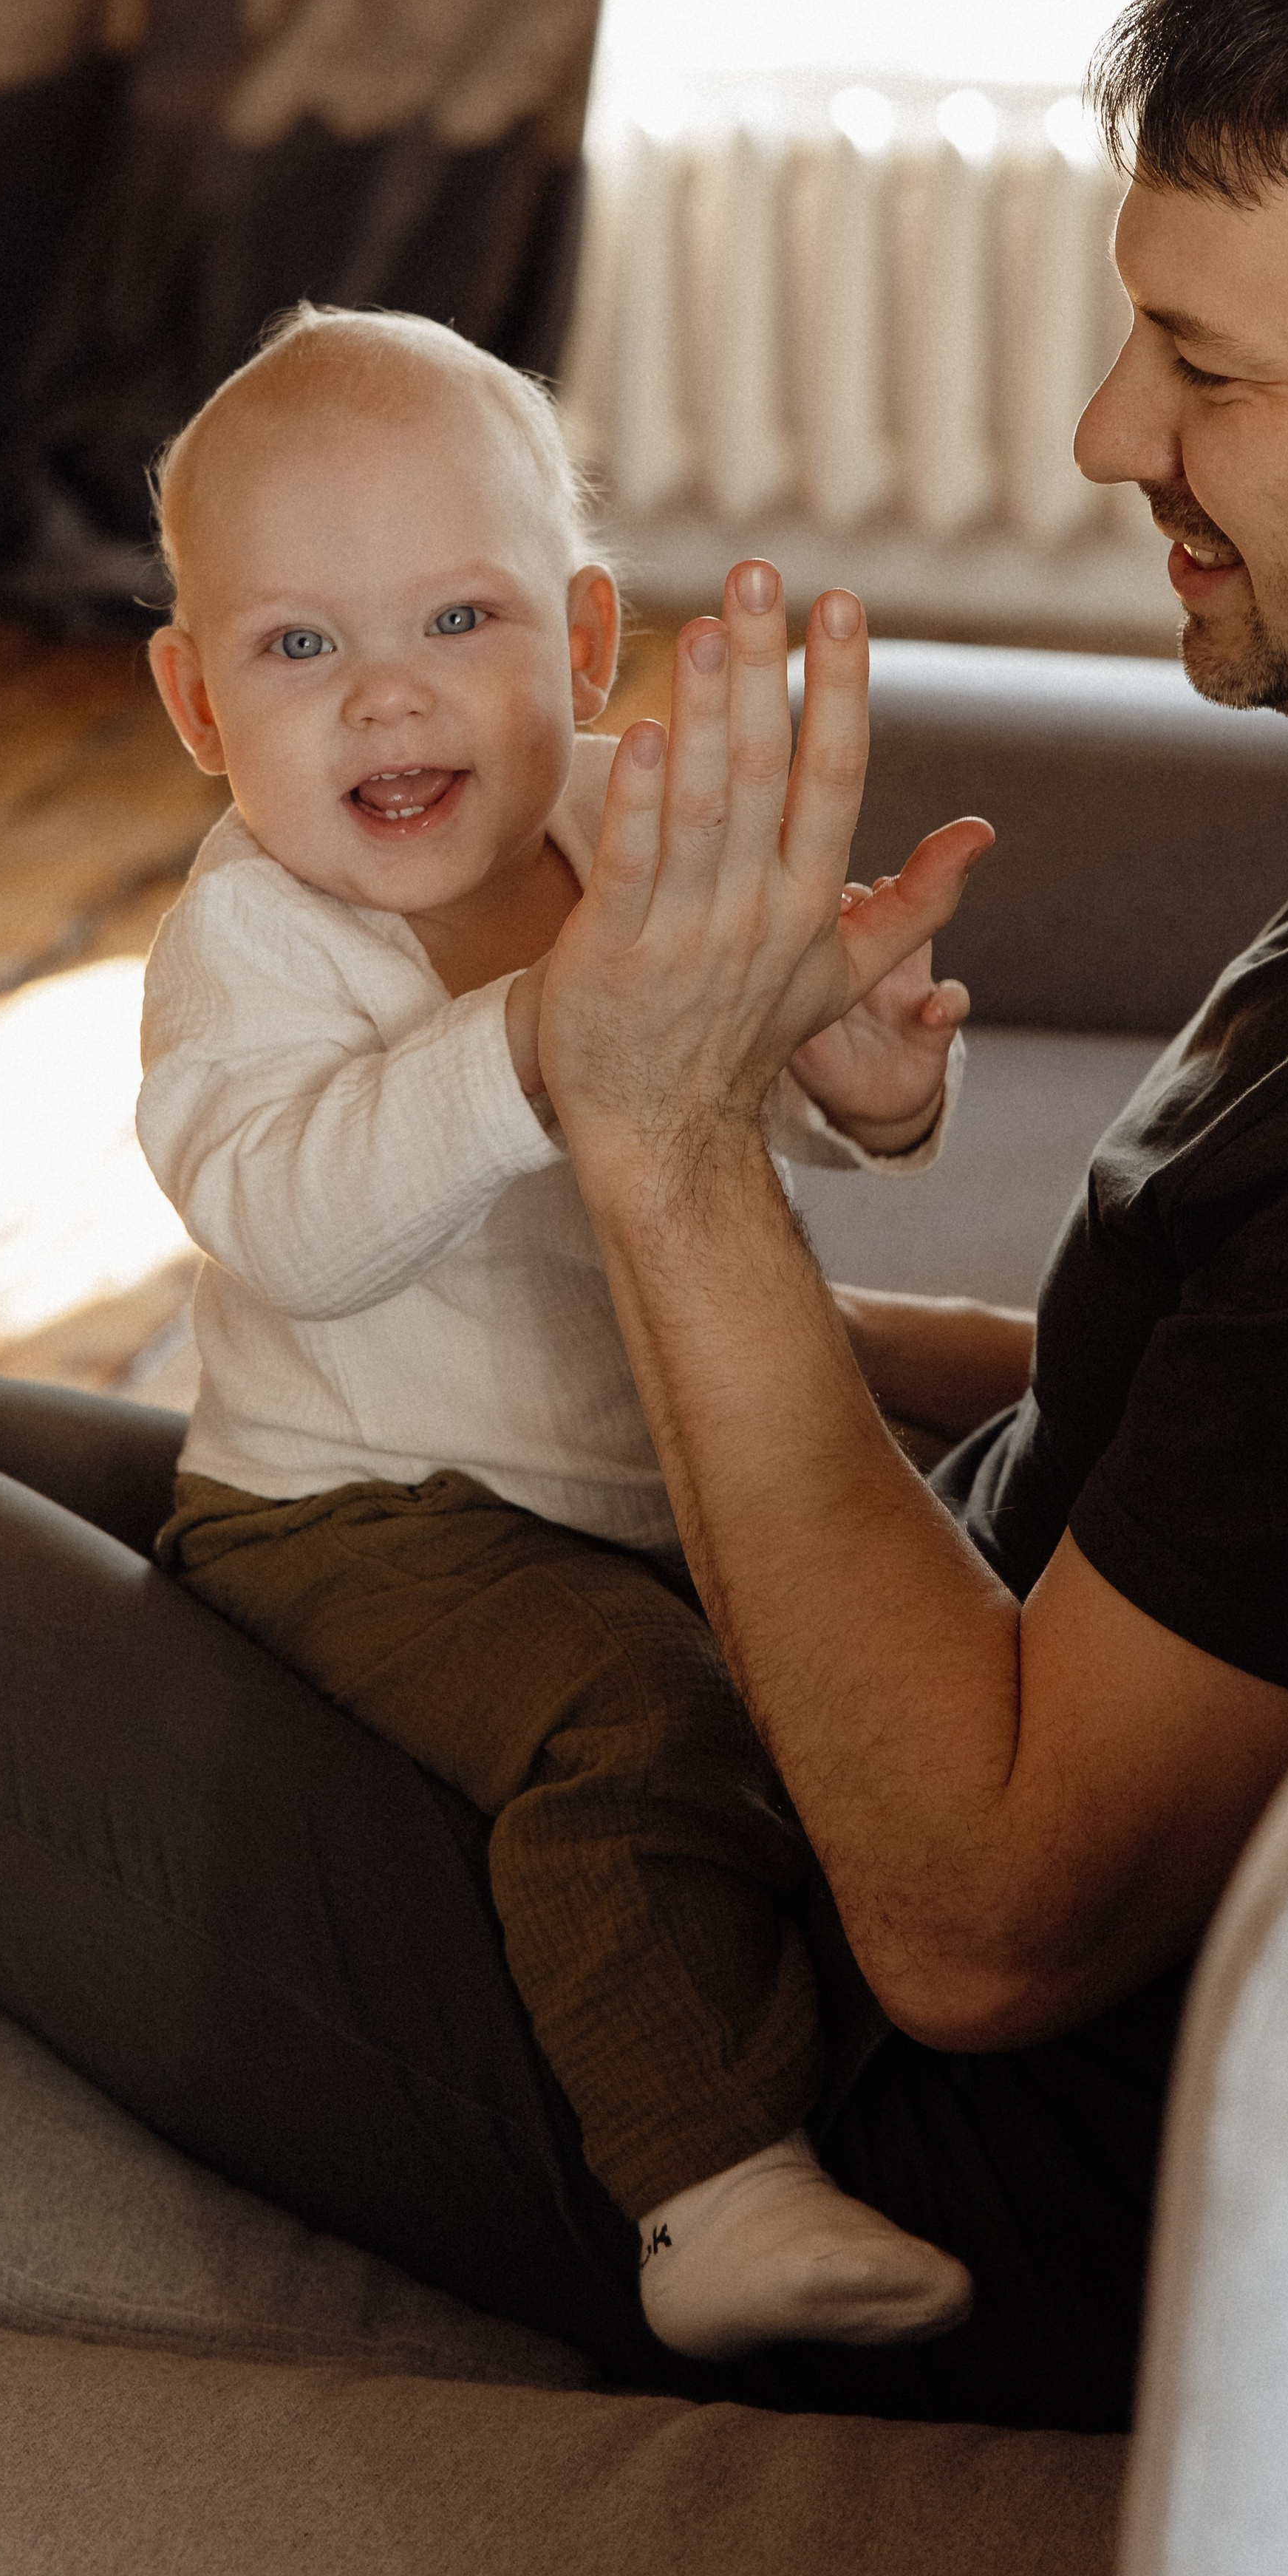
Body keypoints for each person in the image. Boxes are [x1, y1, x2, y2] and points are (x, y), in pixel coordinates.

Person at [0, 0, 1288, 2432]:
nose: (1103, 435)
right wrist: (815, 1344)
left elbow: (981, 1921)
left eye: (1207, 365)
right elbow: (1212, 1422)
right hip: (812, 1692)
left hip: (832, 2056)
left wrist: (655, 1134)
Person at [134, 304, 975, 2360]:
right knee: (635, 1714)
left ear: (586, 646)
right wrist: (532, 1037)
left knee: (924, 1509)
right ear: (191, 698)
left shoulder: (630, 830)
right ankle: (713, 2187)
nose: (389, 695)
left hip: (643, 1452)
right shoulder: (255, 933)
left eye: (457, 616)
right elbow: (287, 1220)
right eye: (299, 647)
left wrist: (867, 1079)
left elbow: (745, 1086)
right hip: (366, 1509)